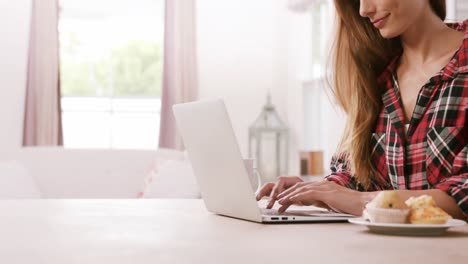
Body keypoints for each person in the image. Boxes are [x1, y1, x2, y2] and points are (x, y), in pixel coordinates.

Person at [256, 0, 467, 220]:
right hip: (383, 251)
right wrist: (320, 192)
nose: (363, 10)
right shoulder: (378, 79)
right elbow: (359, 176)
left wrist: (364, 201)